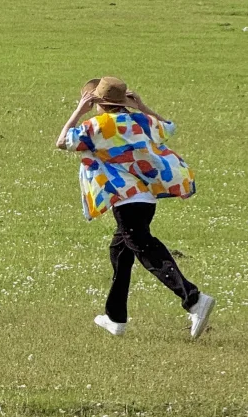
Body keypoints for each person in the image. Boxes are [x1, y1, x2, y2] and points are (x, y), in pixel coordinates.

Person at [55, 75, 215, 339]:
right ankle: (115, 318)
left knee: (145, 248)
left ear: (98, 102)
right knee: (120, 252)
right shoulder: (142, 122)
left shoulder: (96, 126)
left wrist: (78, 111)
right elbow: (169, 127)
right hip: (146, 200)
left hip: (124, 199)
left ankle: (193, 299)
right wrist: (142, 107)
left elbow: (62, 142)